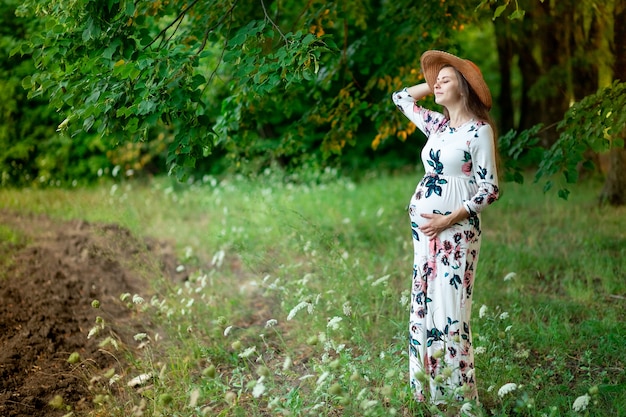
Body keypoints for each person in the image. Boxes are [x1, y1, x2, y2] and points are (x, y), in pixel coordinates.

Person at [391, 50, 500, 407]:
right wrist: (437, 80)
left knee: (451, 309)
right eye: (436, 80)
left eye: (446, 80)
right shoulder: (437, 125)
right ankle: (428, 392)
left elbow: (490, 189)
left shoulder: (478, 131)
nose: (437, 83)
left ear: (464, 87)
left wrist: (449, 218)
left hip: (456, 233)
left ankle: (461, 398)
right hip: (424, 235)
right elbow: (401, 98)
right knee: (424, 304)